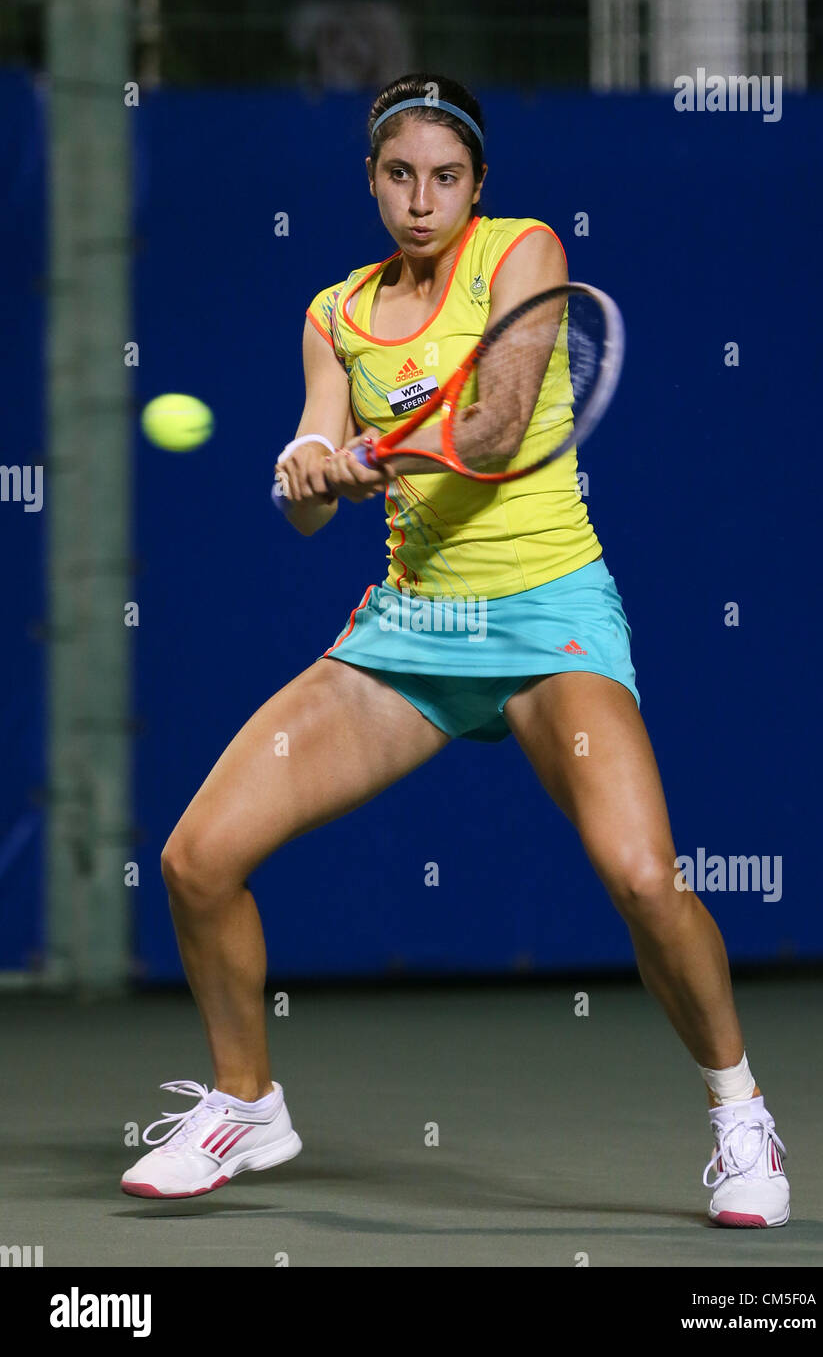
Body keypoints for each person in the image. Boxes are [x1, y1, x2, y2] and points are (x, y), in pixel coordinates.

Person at [122, 74, 789, 1229]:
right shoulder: (331, 314)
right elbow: (315, 500)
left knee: (642, 876)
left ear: (477, 184)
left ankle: (737, 1113)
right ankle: (247, 1102)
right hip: (413, 632)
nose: (420, 200)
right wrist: (306, 471)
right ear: (370, 180)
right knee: (195, 858)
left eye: (444, 177)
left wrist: (369, 455)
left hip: (548, 619)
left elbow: (491, 419)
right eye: (397, 175)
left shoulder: (523, 253)